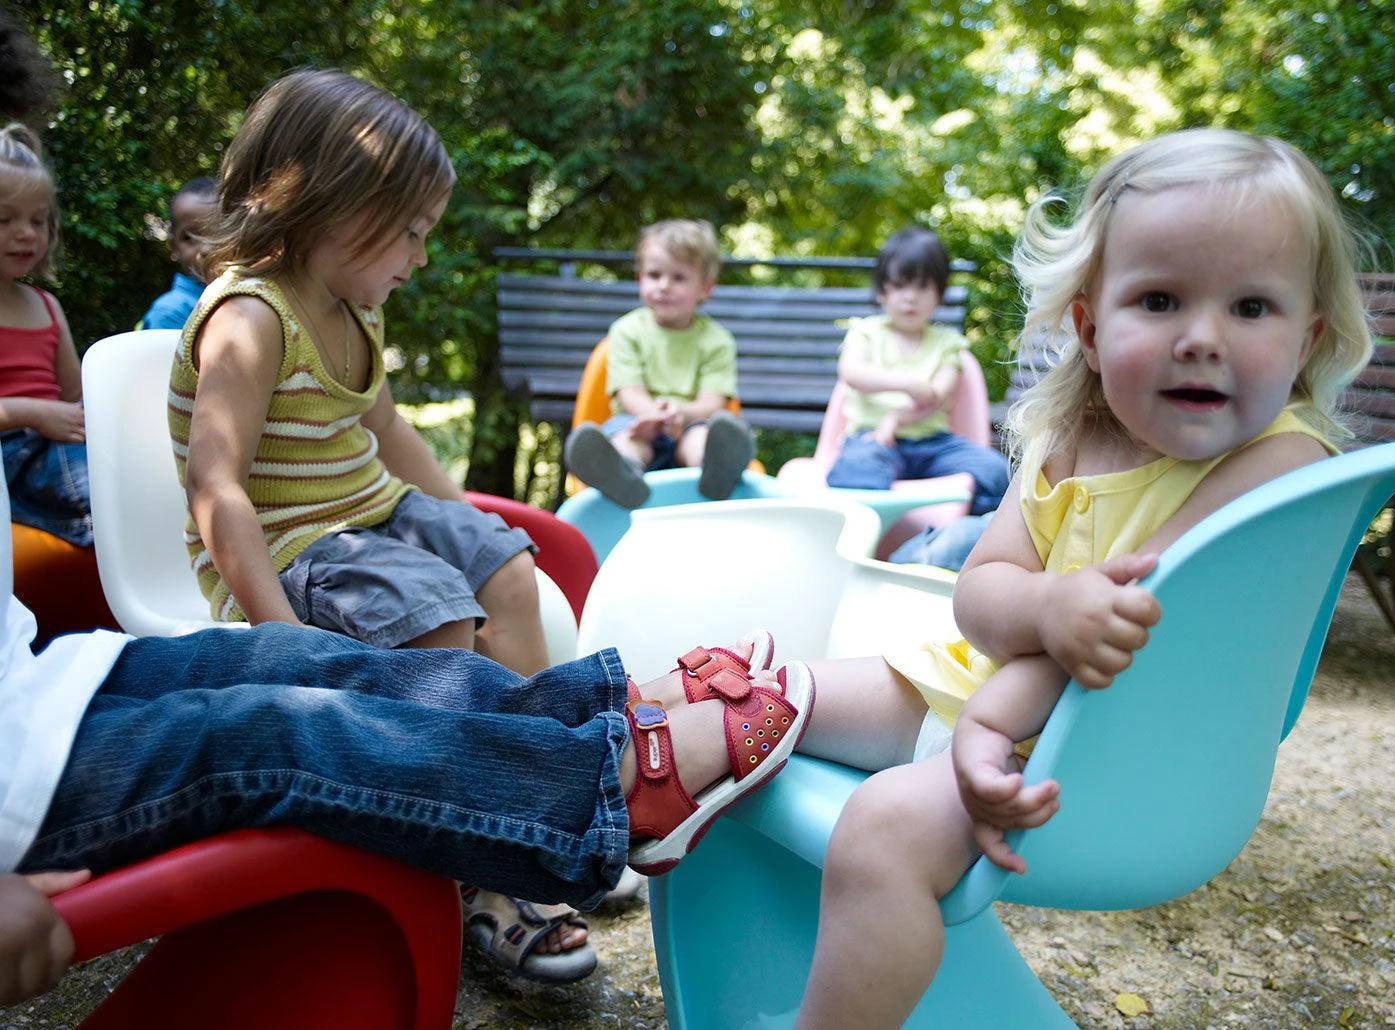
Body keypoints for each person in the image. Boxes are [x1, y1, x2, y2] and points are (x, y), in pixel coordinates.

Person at [784, 128, 1375, 1028]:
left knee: (882, 833)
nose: (1203, 339)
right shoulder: (1065, 437)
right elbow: (984, 597)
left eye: (1253, 307)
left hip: (1093, 753)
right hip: (990, 699)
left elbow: (1116, 633)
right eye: (1163, 299)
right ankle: (590, 779)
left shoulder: (1281, 462)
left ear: (1307, 339)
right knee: (766, 693)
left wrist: (993, 715)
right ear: (1092, 327)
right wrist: (1044, 608)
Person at [0, 469, 816, 1006]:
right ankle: (610, 790)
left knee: (293, 658)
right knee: (267, 731)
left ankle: (590, 716)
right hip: (20, 778)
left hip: (36, 684)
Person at [164, 68, 565, 979]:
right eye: (411, 233)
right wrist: (280, 640)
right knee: (440, 619)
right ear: (328, 204)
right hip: (299, 545)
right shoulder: (250, 318)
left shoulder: (352, 307)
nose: (419, 258)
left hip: (372, 515)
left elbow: (385, 430)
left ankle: (540, 801)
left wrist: (469, 528)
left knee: (507, 570)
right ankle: (482, 872)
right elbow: (216, 486)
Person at [563, 219, 756, 508]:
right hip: (637, 419)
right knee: (627, 439)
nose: (664, 286)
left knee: (702, 436)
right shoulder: (626, 331)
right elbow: (629, 393)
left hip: (690, 422)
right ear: (640, 279)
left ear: (705, 288)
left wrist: (679, 416)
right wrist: (652, 418)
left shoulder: (717, 340)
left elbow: (712, 401)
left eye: (678, 278)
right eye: (654, 275)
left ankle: (714, 471)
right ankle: (623, 474)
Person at [823, 226, 1011, 516]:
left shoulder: (948, 343)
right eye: (900, 286)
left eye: (923, 286)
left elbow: (936, 395)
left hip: (933, 446)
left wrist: (896, 419)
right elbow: (851, 373)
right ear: (882, 292)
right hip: (873, 440)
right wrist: (906, 384)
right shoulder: (865, 333)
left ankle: (959, 538)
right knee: (856, 468)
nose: (910, 297)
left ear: (939, 294)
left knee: (995, 471)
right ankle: (872, 536)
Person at [0, 123, 91, 548]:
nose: (26, 233)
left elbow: (74, 395)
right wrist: (34, 413)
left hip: (53, 450)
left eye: (38, 220)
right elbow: (48, 413)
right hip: (11, 459)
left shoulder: (47, 307)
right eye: (5, 219)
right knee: (104, 488)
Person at [138, 177, 216, 330]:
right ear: (174, 247)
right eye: (190, 238)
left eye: (218, 233)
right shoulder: (170, 313)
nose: (206, 248)